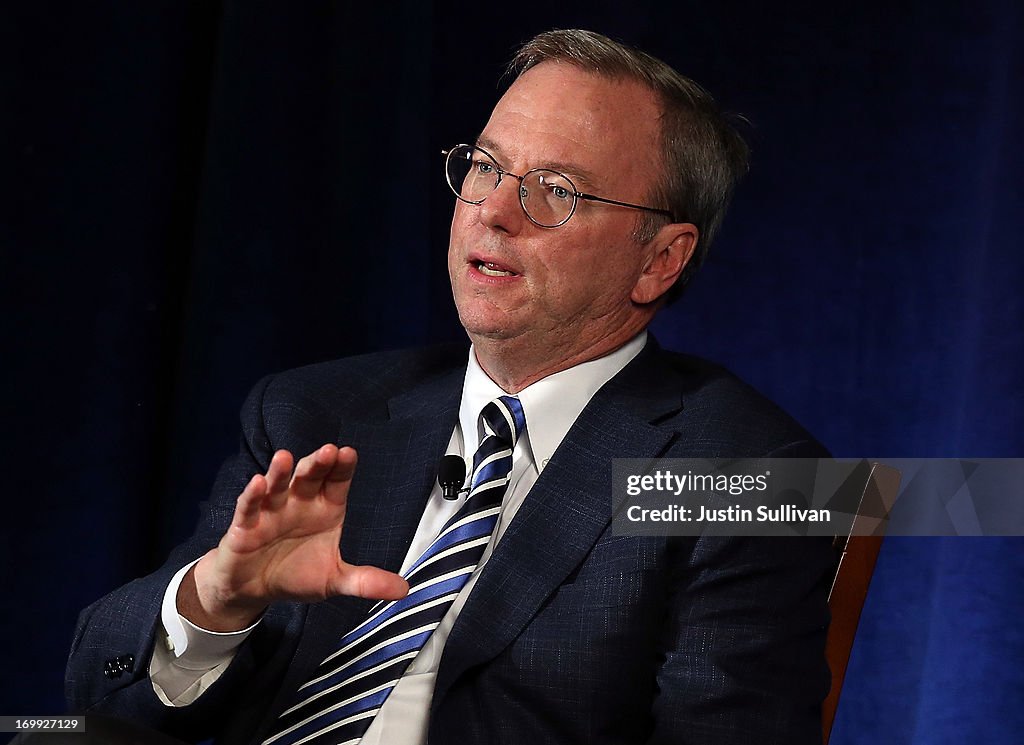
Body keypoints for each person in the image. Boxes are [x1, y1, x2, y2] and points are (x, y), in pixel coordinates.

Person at [66, 29, 834, 745]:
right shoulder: (312, 410)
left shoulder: (755, 475)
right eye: (486, 166)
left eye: (556, 189)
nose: (492, 211)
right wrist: (216, 601)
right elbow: (97, 692)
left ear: (660, 259)